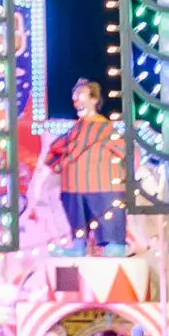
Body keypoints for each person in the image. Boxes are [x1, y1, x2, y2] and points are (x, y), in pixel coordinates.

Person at [50, 76, 125, 251]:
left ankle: (113, 245)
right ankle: (78, 246)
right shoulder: (75, 129)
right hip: (73, 189)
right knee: (77, 224)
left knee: (108, 225)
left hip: (102, 187)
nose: (76, 101)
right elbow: (57, 149)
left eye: (81, 95)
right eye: (74, 97)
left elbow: (123, 151)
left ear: (94, 99)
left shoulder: (105, 127)